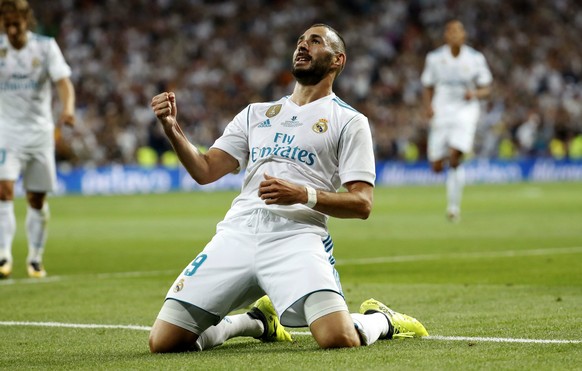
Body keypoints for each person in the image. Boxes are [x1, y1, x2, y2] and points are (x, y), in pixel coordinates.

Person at [148, 23, 428, 353]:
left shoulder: (349, 121)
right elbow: (206, 170)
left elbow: (362, 203)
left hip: (297, 237)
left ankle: (381, 319)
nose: (302, 46)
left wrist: (303, 194)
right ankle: (254, 322)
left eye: (315, 41)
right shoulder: (256, 113)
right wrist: (172, 129)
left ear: (338, 60)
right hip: (238, 233)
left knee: (339, 339)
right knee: (164, 342)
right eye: (300, 41)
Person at [0, 0, 75, 278]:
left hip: (39, 133)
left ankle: (34, 257)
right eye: (6, 25)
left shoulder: (44, 47)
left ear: (25, 21)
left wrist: (67, 109)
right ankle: (3, 256)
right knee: (3, 190)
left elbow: (64, 83)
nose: (11, 31)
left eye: (15, 25)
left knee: (36, 198)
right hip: (6, 132)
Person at [421, 19, 492, 222]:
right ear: (446, 35)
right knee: (436, 165)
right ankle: (447, 161)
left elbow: (487, 88)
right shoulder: (434, 58)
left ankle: (453, 207)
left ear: (464, 35)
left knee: (455, 155)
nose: (454, 35)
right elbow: (427, 84)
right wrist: (428, 107)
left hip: (465, 110)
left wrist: (476, 93)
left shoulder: (475, 58)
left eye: (458, 31)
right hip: (441, 110)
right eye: (450, 31)